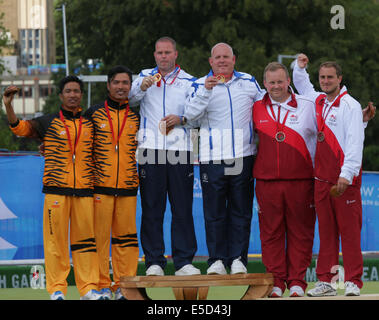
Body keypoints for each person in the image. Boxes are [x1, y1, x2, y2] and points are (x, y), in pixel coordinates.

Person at [2, 76, 102, 300]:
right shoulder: (48, 122)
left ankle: (88, 289)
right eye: (68, 91)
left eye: (76, 91)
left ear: (81, 94)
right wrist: (8, 105)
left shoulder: (91, 123)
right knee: (55, 243)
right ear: (61, 95)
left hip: (85, 191)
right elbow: (19, 128)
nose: (73, 95)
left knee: (86, 243)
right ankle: (57, 289)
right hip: (56, 191)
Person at [179, 42, 265, 275]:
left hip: (243, 156)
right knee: (214, 212)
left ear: (234, 60)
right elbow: (189, 115)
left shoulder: (248, 81)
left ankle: (238, 259)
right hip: (211, 158)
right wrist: (206, 90)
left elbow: (268, 104)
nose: (222, 61)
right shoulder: (198, 84)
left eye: (226, 57)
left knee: (241, 211)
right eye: (217, 57)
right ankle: (216, 260)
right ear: (210, 61)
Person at [293, 54, 367, 297]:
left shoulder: (351, 106)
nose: (325, 81)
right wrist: (300, 67)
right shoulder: (320, 101)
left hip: (344, 180)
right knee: (326, 234)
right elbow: (303, 86)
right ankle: (327, 281)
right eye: (322, 77)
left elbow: (355, 143)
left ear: (340, 79)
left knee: (349, 233)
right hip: (322, 179)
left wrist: (346, 174)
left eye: (330, 77)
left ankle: (353, 281)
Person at [128, 36, 200, 276]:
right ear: (154, 55)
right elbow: (128, 99)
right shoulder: (144, 76)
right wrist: (141, 87)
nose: (163, 57)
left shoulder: (190, 81)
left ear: (176, 54)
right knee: (152, 208)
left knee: (182, 208)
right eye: (159, 53)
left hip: (181, 150)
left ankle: (183, 262)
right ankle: (154, 262)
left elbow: (198, 114)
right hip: (150, 150)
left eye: (168, 52)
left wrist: (181, 119)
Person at [252, 62, 317, 297]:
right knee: (270, 233)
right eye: (271, 82)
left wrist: (360, 120)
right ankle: (276, 281)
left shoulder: (308, 105)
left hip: (300, 179)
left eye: (280, 81)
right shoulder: (256, 107)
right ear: (265, 84)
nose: (276, 86)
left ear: (288, 81)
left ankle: (298, 281)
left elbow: (332, 125)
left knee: (301, 231)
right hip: (266, 181)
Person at [84, 66, 139, 299]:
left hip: (127, 187)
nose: (120, 87)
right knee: (99, 239)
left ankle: (124, 287)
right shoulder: (93, 113)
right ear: (108, 85)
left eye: (125, 83)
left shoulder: (137, 116)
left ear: (130, 86)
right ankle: (102, 285)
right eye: (116, 82)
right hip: (100, 187)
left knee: (126, 240)